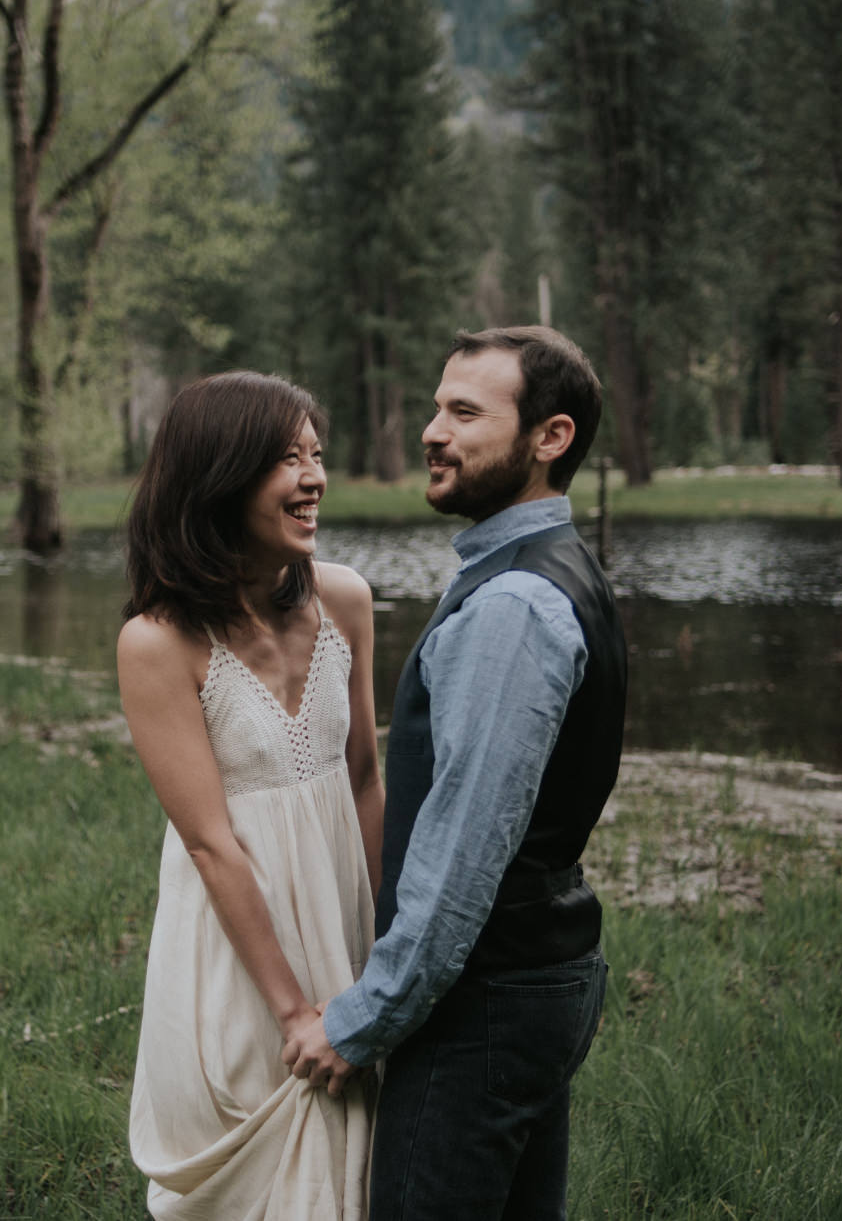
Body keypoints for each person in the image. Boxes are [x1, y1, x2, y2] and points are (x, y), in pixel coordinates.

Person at [283, 326, 627, 1221]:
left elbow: (466, 848)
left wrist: (362, 1021)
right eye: (437, 406)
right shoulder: (545, 571)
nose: (433, 430)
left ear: (550, 438)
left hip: (484, 1005)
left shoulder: (514, 604)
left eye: (465, 413)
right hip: (532, 979)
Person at [120, 370, 386, 1219]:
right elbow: (209, 842)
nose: (314, 478)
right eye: (286, 459)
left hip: (343, 922)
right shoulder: (158, 642)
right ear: (220, 477)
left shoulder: (345, 599)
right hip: (241, 954)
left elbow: (365, 775)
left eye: (316, 455)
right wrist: (293, 1010)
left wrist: (381, 957)